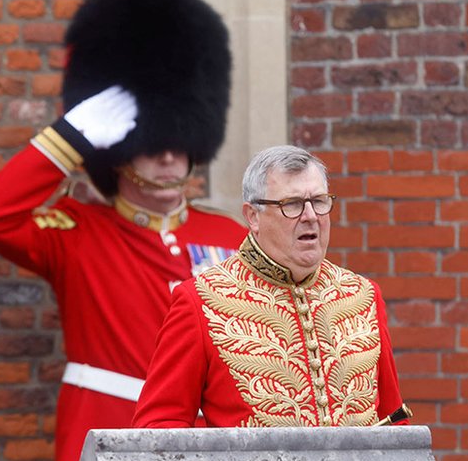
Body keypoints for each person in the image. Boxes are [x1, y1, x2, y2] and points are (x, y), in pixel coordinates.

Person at [0, 0, 248, 461]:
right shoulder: (77, 233)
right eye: (151, 145)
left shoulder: (230, 240)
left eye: (179, 145)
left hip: (214, 450)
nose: (169, 157)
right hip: (108, 438)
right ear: (118, 153)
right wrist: (73, 137)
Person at [133, 145, 405, 429]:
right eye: (292, 204)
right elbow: (159, 429)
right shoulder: (201, 301)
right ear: (253, 217)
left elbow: (393, 422)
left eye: (319, 201)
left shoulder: (362, 295)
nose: (311, 215)